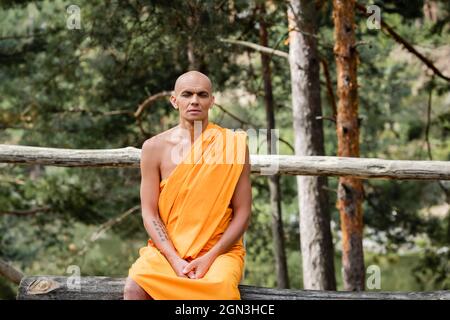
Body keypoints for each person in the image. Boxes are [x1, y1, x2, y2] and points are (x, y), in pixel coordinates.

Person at [124, 71, 252, 300]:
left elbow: (243, 212)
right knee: (135, 286)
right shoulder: (154, 148)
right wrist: (174, 259)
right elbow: (149, 212)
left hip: (220, 251)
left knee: (220, 288)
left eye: (202, 95)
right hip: (166, 250)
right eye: (187, 94)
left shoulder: (232, 145)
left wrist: (210, 256)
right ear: (175, 101)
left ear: (212, 101)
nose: (195, 100)